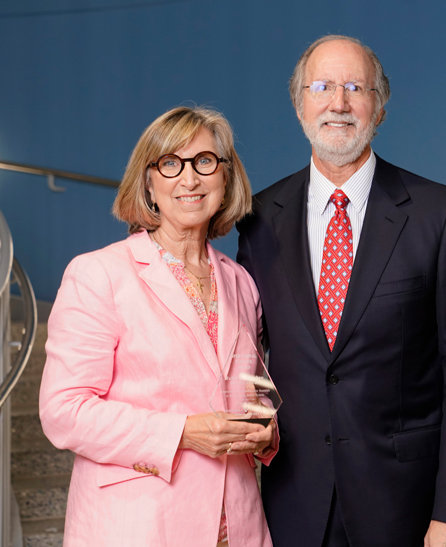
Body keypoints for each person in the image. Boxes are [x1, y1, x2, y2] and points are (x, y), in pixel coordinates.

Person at [237, 35, 446, 547]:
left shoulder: (439, 214)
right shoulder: (258, 219)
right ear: (299, 105)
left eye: (356, 87)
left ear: (380, 108)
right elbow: (248, 353)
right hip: (294, 502)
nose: (338, 102)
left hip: (406, 507)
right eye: (322, 87)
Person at [39, 106, 277, 547]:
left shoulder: (241, 282)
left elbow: (252, 388)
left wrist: (266, 428)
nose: (190, 179)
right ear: (148, 182)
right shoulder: (98, 274)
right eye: (170, 163)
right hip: (139, 526)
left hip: (238, 525)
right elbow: (64, 411)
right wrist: (182, 432)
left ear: (226, 177)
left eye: (204, 161)